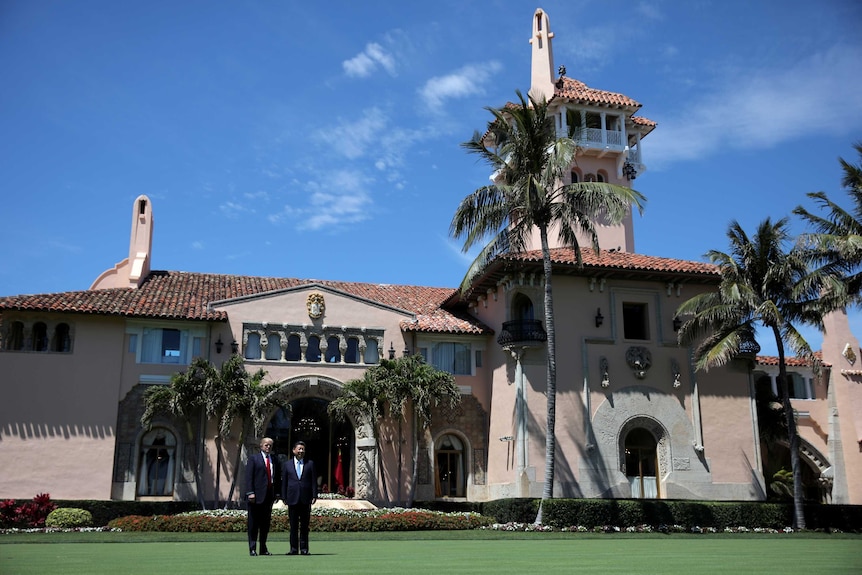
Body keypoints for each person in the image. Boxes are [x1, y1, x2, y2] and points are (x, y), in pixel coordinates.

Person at [282, 440, 317, 555]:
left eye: (303, 449)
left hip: (305, 499)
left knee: (304, 526)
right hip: (292, 499)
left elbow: (313, 481)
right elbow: (284, 482)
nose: (301, 451)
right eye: (299, 449)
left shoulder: (310, 464)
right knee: (293, 526)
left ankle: (304, 549)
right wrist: (284, 496)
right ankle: (293, 549)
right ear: (294, 450)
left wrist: (314, 495)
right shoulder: (287, 465)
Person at [245, 437, 279, 556]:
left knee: (265, 524)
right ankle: (252, 548)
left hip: (268, 497)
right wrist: (250, 492)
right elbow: (249, 477)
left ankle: (263, 548)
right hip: (255, 497)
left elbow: (277, 478)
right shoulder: (254, 459)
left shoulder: (274, 459)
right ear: (261, 446)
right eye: (266, 445)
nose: (268, 447)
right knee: (253, 524)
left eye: (270, 445)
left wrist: (277, 494)